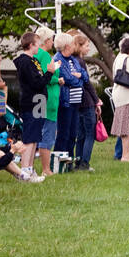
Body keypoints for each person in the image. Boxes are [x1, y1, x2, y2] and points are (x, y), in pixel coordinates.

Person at [12, 31, 57, 177]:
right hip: (32, 102)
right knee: (30, 136)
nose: (39, 47)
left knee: (36, 136)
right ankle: (24, 170)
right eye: (37, 44)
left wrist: (48, 72)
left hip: (39, 101)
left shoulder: (34, 61)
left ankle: (30, 168)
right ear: (31, 45)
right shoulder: (25, 62)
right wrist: (49, 72)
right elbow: (36, 83)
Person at [52, 32, 87, 169]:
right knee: (64, 134)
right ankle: (58, 164)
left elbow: (85, 76)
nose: (74, 46)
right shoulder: (57, 59)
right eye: (72, 43)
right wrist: (78, 79)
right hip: (65, 102)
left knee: (73, 134)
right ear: (67, 46)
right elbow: (67, 78)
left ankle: (69, 163)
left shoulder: (73, 59)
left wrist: (79, 77)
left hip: (76, 102)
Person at [32, 28, 62, 176]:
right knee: (47, 134)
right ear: (46, 41)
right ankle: (46, 169)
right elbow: (46, 75)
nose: (52, 42)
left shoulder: (35, 54)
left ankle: (30, 167)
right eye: (51, 39)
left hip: (39, 98)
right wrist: (58, 78)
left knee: (37, 133)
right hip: (48, 98)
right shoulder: (44, 55)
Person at [69, 35, 101, 171]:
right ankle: (84, 163)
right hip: (86, 101)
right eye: (87, 45)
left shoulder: (71, 60)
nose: (88, 48)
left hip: (77, 102)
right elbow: (87, 83)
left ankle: (78, 161)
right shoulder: (80, 62)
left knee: (80, 134)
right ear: (80, 46)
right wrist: (96, 100)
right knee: (89, 134)